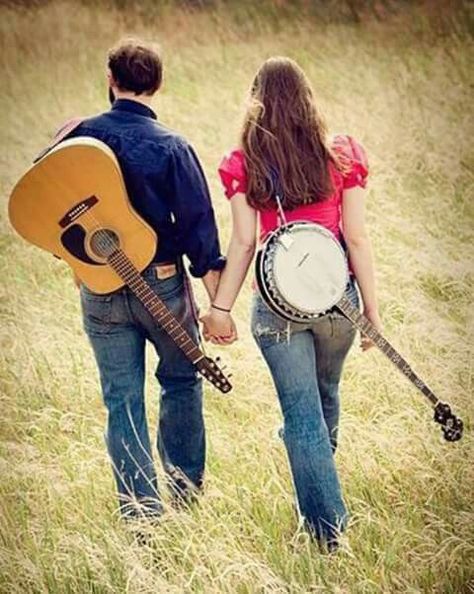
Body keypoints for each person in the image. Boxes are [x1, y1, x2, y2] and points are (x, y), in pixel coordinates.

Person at [200, 56, 382, 550]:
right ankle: (323, 493)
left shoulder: (244, 163)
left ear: (255, 102)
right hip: (336, 300)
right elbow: (357, 239)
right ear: (307, 100)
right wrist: (372, 312)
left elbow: (241, 243)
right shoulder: (342, 155)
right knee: (325, 396)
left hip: (277, 306)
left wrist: (220, 308)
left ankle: (326, 531)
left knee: (302, 414)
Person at [64, 39, 233, 519]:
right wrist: (216, 308)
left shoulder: (76, 140)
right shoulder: (172, 147)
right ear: (156, 85)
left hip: (99, 289)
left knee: (122, 399)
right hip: (161, 283)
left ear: (110, 80)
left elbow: (49, 209)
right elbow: (201, 234)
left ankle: (142, 517)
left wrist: (78, 263)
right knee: (180, 382)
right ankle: (183, 500)